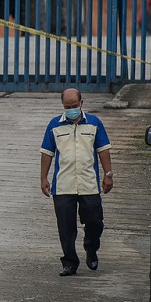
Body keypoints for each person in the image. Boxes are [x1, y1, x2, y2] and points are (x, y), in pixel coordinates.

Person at [39, 87, 113, 276]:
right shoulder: (54, 125)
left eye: (74, 105)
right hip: (63, 184)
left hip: (89, 184)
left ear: (81, 103)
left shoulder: (94, 123)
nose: (71, 109)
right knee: (66, 227)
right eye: (67, 106)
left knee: (95, 222)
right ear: (62, 105)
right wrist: (43, 178)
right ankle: (70, 262)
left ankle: (91, 249)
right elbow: (47, 153)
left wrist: (108, 174)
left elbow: (103, 150)